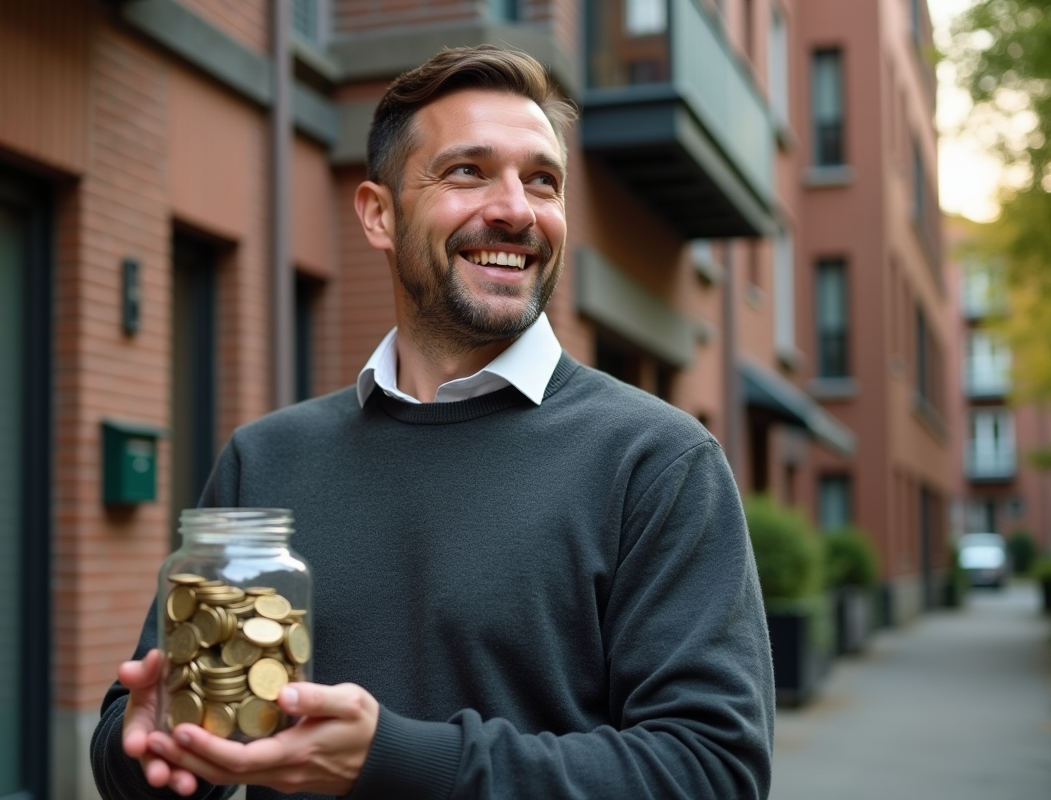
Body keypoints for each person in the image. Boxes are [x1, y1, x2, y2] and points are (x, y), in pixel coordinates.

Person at [91, 45, 774, 800]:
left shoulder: (659, 462)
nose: (516, 209)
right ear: (379, 214)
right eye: (467, 172)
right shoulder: (267, 459)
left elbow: (711, 773)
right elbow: (160, 741)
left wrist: (395, 760)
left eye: (542, 181)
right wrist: (148, 748)